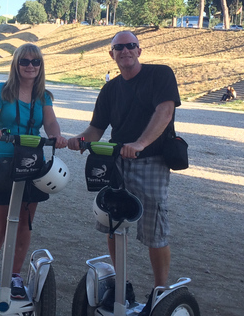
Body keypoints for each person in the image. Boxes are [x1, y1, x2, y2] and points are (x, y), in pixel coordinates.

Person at [67, 31, 180, 314]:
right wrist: (78, 141)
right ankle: (122, 284)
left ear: (139, 51)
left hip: (150, 159)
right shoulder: (110, 90)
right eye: (119, 48)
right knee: (112, 221)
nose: (125, 51)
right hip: (117, 161)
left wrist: (140, 143)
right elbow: (96, 130)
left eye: (130, 46)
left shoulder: (160, 75)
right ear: (112, 55)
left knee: (154, 225)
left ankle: (160, 289)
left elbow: (165, 112)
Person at [0, 43, 64, 299]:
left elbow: (50, 123)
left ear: (40, 66)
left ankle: (15, 275)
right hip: (4, 160)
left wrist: (57, 136)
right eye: (24, 61)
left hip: (32, 161)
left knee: (25, 224)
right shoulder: (2, 91)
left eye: (35, 62)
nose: (30, 66)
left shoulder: (43, 96)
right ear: (16, 64)